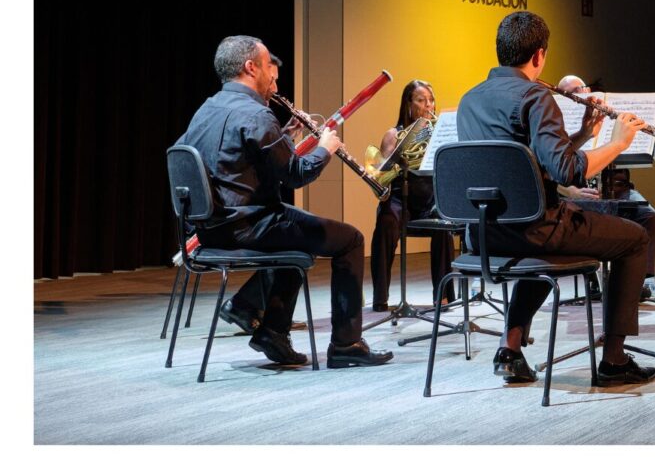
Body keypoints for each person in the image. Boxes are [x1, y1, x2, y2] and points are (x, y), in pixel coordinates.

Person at [457, 11, 655, 385]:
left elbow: (529, 165)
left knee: (543, 249)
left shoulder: (470, 100)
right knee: (634, 238)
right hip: (533, 230)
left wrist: (580, 136)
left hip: (483, 234)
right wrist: (617, 143)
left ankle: (510, 349)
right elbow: (568, 172)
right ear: (539, 55)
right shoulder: (536, 96)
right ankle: (614, 360)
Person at [175, 35, 393, 368]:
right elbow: (295, 175)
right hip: (249, 226)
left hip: (210, 230)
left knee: (300, 241)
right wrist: (325, 147)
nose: (274, 77)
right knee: (350, 239)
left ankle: (271, 332)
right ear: (251, 68)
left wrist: (284, 138)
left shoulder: (206, 110)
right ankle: (346, 345)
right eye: (268, 68)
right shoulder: (256, 114)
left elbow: (236, 161)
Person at [555, 75, 655, 301]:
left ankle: (640, 281)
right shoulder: (556, 123)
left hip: (617, 187)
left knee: (647, 214)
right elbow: (550, 170)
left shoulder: (609, 113)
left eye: (580, 89)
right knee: (586, 219)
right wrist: (570, 191)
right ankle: (593, 278)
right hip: (580, 191)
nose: (578, 95)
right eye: (568, 93)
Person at [370, 79, 456, 311]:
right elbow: (382, 173)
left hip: (428, 199)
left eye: (431, 100)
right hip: (400, 199)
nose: (428, 105)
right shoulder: (393, 134)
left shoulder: (439, 134)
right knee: (387, 220)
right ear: (408, 104)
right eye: (421, 100)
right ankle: (380, 298)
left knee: (443, 221)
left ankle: (443, 296)